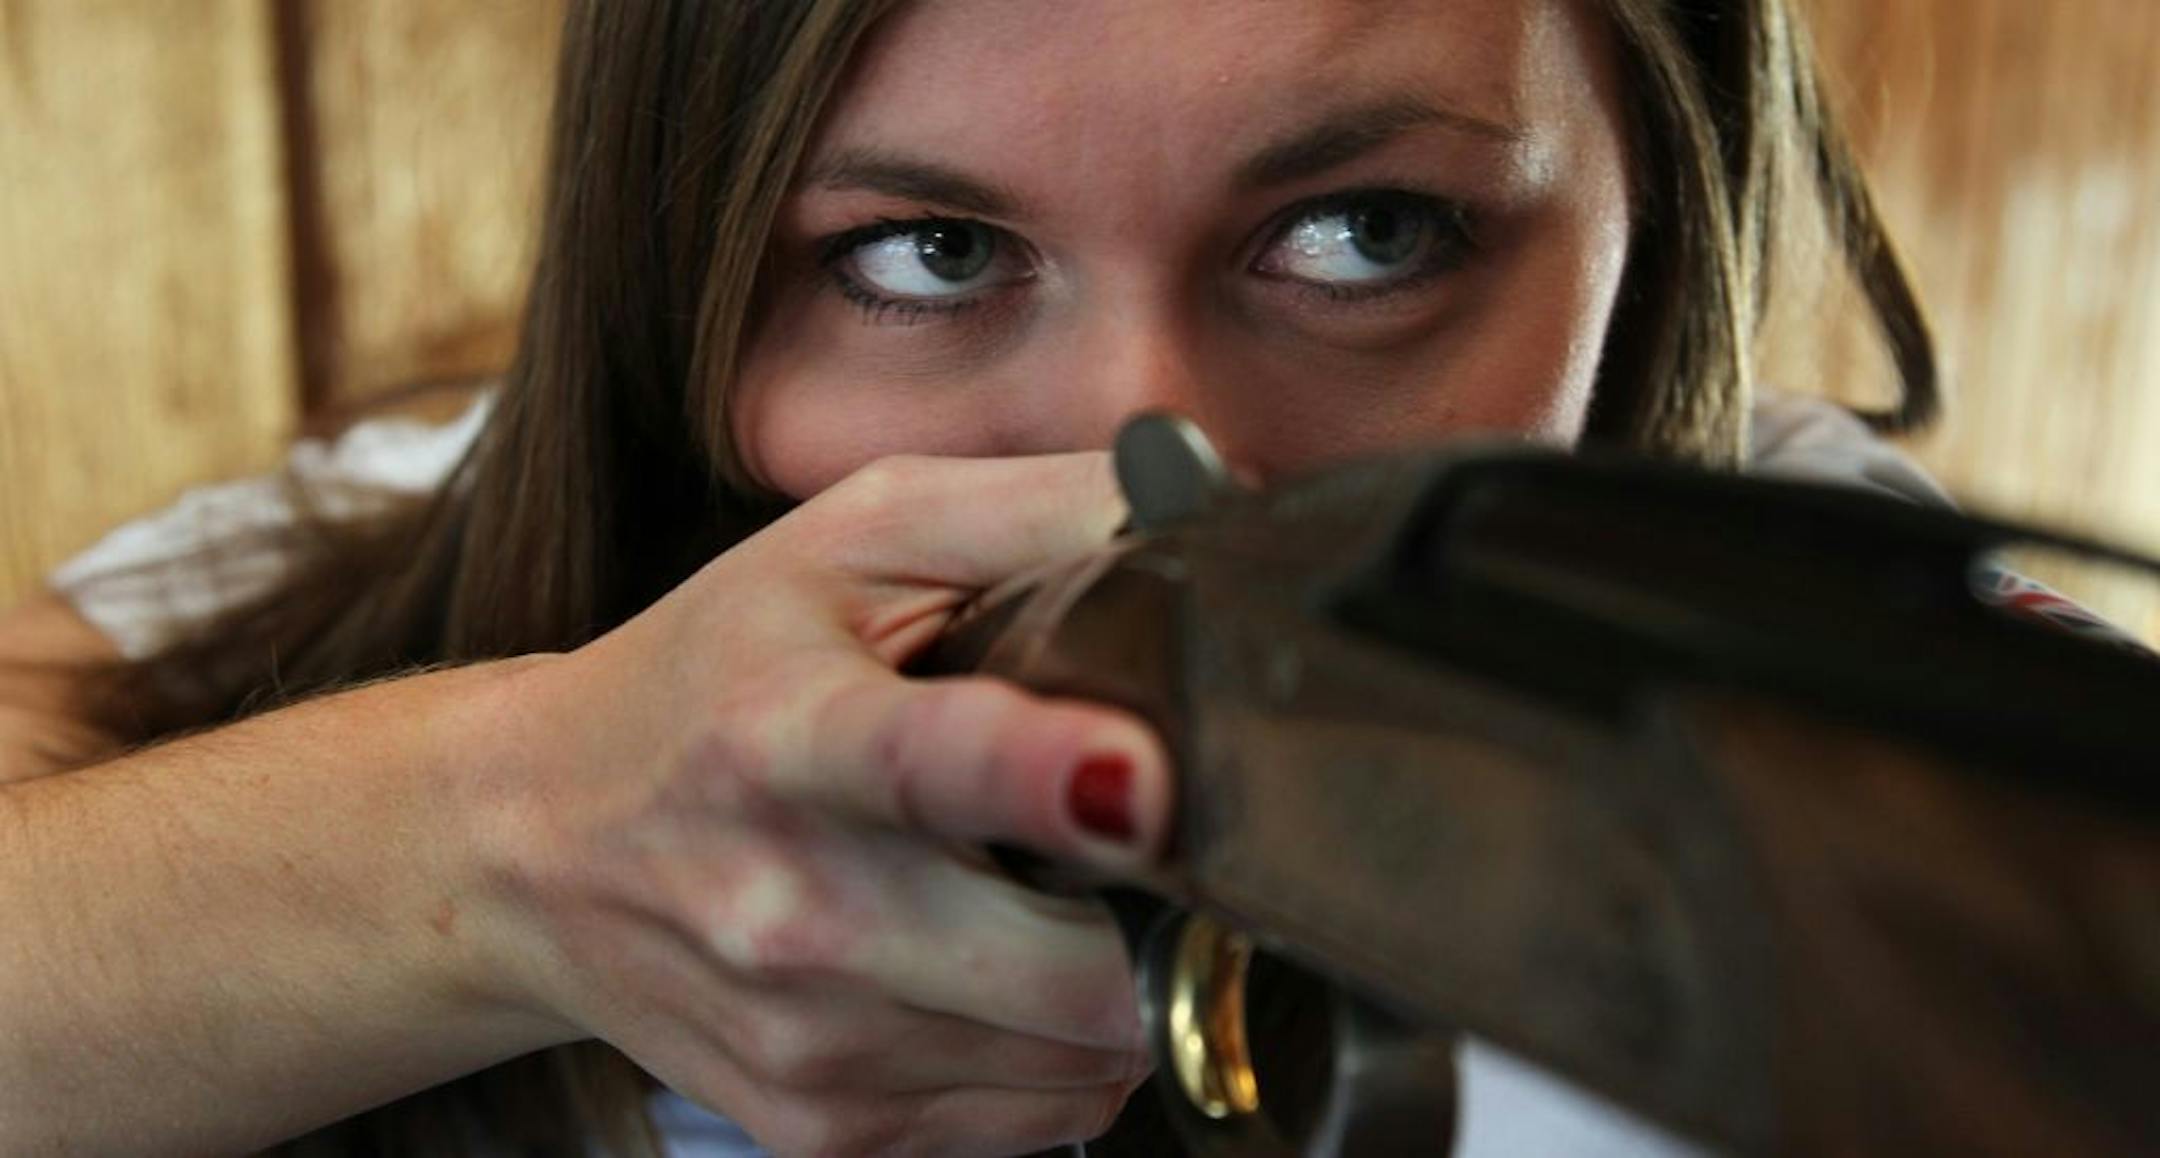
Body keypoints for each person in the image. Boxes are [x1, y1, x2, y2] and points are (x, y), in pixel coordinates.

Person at [0, 1, 1940, 1154]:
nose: (1138, 462)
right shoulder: (425, 513)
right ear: (682, 265)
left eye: (1370, 233)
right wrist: (498, 844)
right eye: (926, 253)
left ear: (1660, 218)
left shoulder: (1867, 639)